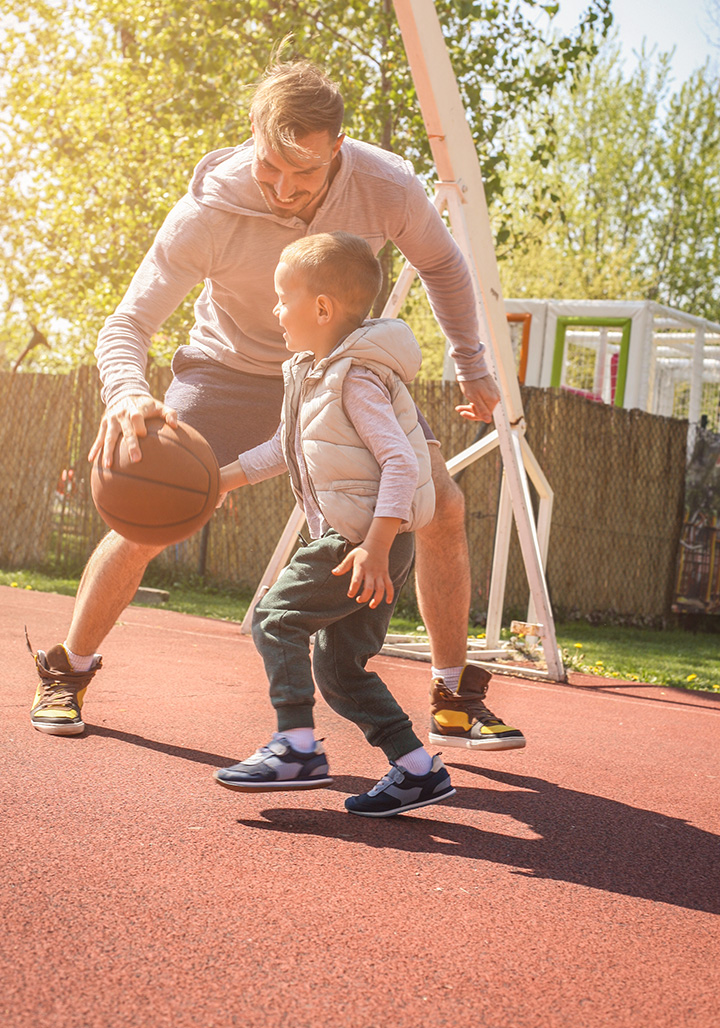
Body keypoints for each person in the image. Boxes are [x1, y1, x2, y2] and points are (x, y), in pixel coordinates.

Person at [28, 57, 525, 754]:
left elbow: (443, 264)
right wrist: (128, 393)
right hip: (228, 368)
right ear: (253, 138)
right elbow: (127, 325)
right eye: (270, 168)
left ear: (339, 152)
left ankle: (452, 695)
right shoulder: (207, 210)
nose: (285, 191)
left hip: (335, 367)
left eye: (307, 174)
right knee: (151, 510)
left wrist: (472, 362)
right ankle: (67, 670)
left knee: (439, 504)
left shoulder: (386, 186)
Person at [214, 233, 455, 817]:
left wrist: (373, 545)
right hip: (371, 542)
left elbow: (401, 458)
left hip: (360, 540)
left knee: (275, 617)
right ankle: (416, 767)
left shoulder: (357, 378)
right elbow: (283, 448)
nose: (275, 309)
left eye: (281, 297)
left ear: (322, 308)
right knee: (341, 668)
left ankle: (295, 747)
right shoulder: (312, 375)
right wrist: (218, 480)